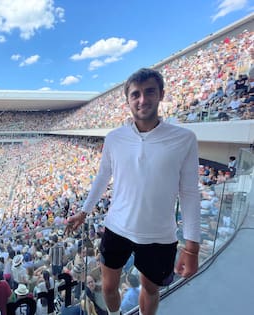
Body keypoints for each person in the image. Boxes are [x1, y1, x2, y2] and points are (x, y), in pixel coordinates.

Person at [66, 68, 200, 315]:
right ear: (128, 100)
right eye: (135, 94)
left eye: (149, 92)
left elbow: (190, 193)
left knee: (150, 290)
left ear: (161, 94)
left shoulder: (184, 139)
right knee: (108, 287)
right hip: (117, 227)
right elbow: (103, 176)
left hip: (160, 235)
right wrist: (84, 212)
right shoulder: (115, 138)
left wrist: (192, 247)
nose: (142, 100)